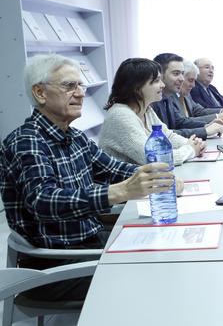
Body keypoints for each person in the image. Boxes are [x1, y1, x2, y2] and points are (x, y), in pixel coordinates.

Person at [0, 54, 177, 301]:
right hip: (56, 264)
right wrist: (120, 191)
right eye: (69, 86)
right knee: (156, 274)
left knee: (168, 250)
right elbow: (44, 200)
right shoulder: (27, 141)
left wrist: (159, 176)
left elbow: (114, 168)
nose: (81, 93)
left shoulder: (75, 137)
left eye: (81, 85)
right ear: (40, 93)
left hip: (89, 243)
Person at [99, 58, 206, 165]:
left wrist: (193, 143)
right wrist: (190, 150)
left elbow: (168, 136)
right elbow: (154, 158)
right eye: (156, 81)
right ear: (137, 87)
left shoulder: (146, 110)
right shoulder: (120, 115)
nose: (162, 85)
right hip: (128, 176)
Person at [150, 53, 223, 139]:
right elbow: (164, 135)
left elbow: (179, 123)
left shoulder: (167, 97)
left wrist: (206, 126)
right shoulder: (152, 101)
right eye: (176, 73)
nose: (182, 79)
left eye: (182, 73)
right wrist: (205, 131)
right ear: (160, 75)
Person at [181, 59, 223, 124]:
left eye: (212, 68)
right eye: (207, 67)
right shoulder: (192, 90)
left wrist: (222, 111)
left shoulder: (211, 87)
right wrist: (219, 116)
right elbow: (182, 122)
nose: (211, 71)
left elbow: (200, 110)